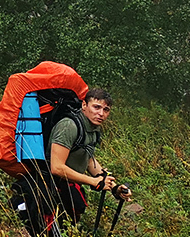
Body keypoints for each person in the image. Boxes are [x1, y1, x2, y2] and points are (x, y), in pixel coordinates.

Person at [48, 87, 132, 228]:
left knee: (68, 231)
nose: (101, 114)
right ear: (84, 105)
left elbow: (87, 159)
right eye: (96, 107)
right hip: (51, 187)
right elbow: (56, 167)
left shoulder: (92, 129)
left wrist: (114, 187)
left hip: (68, 188)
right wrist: (93, 182)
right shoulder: (69, 126)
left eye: (106, 110)